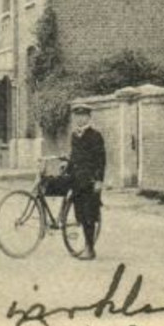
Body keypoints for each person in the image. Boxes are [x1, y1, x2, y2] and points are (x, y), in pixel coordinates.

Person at [66, 104, 106, 260]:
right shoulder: (75, 135)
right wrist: (67, 167)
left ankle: (90, 249)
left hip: (90, 181)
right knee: (80, 215)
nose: (79, 119)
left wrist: (99, 181)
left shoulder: (95, 136)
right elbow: (74, 157)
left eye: (83, 116)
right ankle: (87, 245)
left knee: (89, 215)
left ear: (89, 117)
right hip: (77, 181)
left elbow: (101, 160)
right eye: (77, 116)